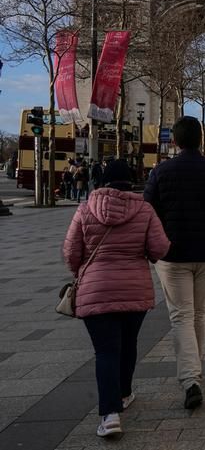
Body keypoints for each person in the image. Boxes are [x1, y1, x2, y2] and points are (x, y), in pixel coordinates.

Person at [62, 159, 170, 437]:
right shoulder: (144, 210)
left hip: (95, 290)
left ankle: (110, 416)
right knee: (128, 343)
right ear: (131, 180)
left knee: (106, 351)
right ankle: (123, 393)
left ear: (102, 181)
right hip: (134, 288)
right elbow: (159, 249)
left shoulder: (85, 209)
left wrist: (85, 271)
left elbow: (71, 253)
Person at [144, 116, 205, 410]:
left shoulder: (160, 172)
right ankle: (195, 371)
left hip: (172, 255)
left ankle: (190, 380)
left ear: (174, 141)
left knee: (181, 316)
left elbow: (148, 215)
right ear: (200, 139)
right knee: (198, 314)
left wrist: (149, 250)